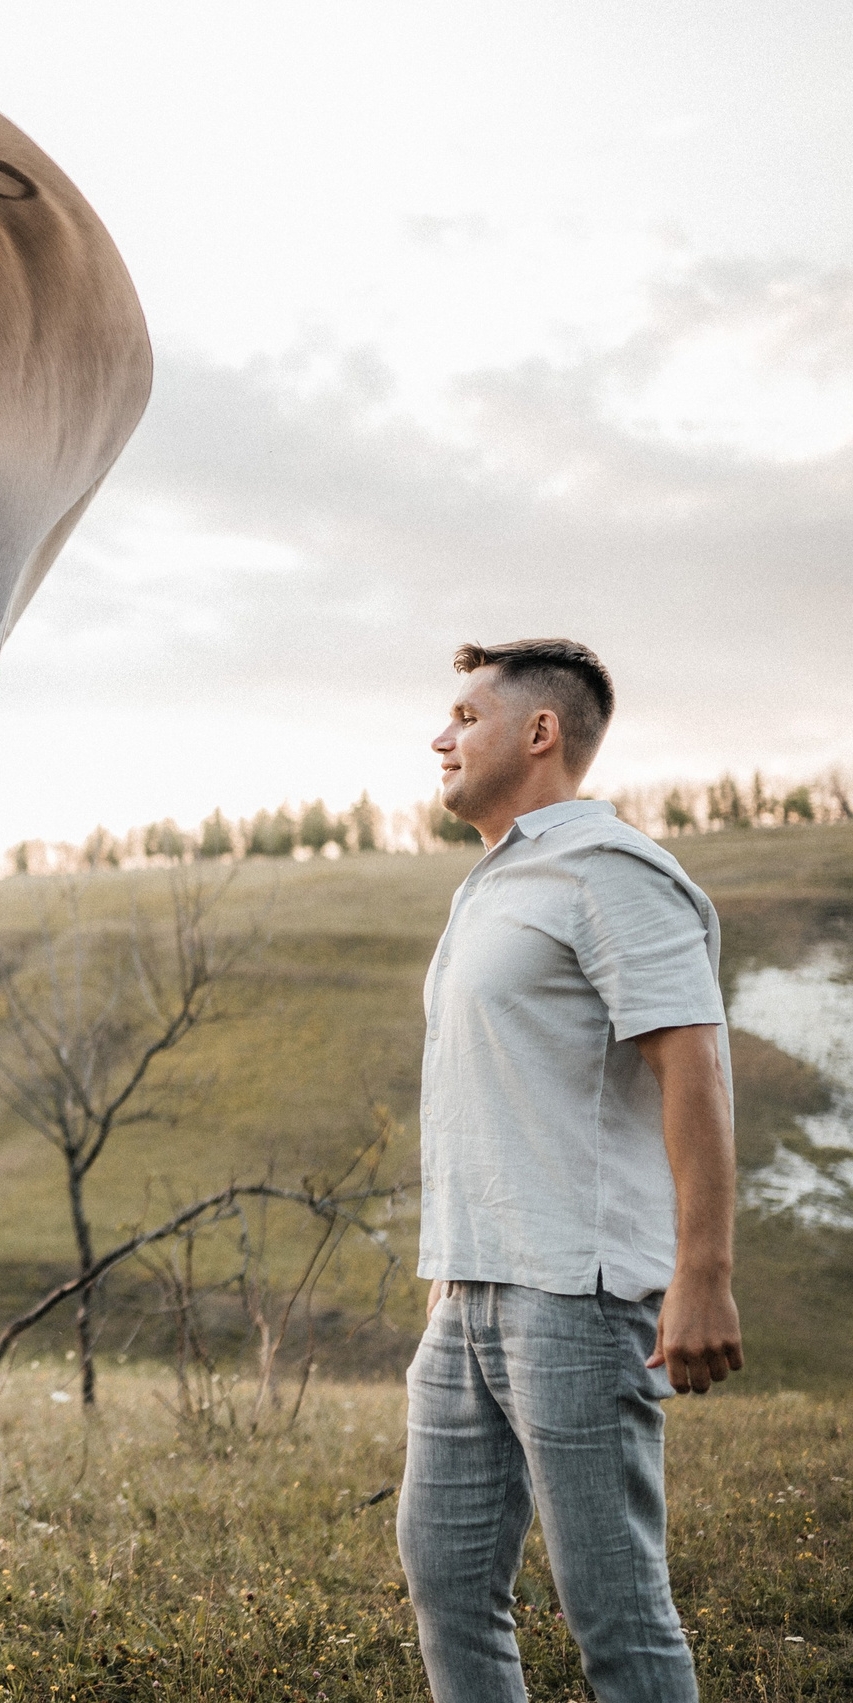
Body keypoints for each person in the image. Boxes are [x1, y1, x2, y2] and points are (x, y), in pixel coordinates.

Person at [401, 638, 743, 1703]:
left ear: (539, 733)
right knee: (449, 1582)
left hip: (579, 1296)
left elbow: (694, 1066)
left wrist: (701, 1272)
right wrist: (448, 1275)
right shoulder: (494, 881)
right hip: (470, 1295)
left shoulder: (611, 871)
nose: (439, 735)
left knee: (615, 1609)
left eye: (465, 714)